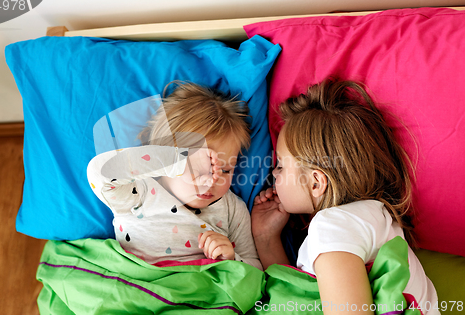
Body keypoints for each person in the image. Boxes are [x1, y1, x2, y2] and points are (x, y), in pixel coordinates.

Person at [252, 77, 439, 314]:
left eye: (281, 165)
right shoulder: (375, 218)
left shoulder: (332, 224)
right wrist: (266, 238)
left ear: (316, 182)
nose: (273, 174)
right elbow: (299, 296)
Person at [87, 81, 262, 270]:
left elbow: (257, 268)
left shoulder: (232, 208)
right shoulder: (139, 189)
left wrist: (232, 259)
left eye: (225, 170)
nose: (211, 180)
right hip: (142, 284)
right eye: (199, 168)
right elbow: (100, 171)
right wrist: (175, 160)